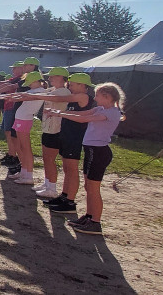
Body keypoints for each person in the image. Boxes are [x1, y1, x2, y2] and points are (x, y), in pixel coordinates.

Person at [5, 72, 96, 215]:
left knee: (71, 169)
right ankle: (64, 196)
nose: (70, 85)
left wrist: (35, 96)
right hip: (66, 135)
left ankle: (69, 201)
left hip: (75, 137)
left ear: (82, 85)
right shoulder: (72, 96)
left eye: (72, 84)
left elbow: (59, 97)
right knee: (67, 168)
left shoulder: (82, 96)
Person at [45, 82, 125, 235]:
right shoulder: (101, 108)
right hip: (92, 151)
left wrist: (59, 113)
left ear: (107, 97)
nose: (94, 98)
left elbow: (83, 120)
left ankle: (95, 222)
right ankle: (89, 217)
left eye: (98, 95)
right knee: (89, 187)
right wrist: (57, 112)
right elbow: (82, 114)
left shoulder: (111, 112)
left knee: (93, 189)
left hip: (99, 152)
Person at [33, 67, 71, 198]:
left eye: (54, 76)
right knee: (46, 158)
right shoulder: (53, 90)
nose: (50, 78)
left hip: (56, 129)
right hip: (48, 128)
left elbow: (45, 96)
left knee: (50, 159)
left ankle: (52, 188)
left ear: (62, 78)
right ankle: (47, 183)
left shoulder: (64, 91)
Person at [8, 71, 46, 185]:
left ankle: (28, 175)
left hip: (24, 120)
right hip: (21, 119)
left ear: (36, 81)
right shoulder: (33, 90)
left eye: (30, 82)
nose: (28, 85)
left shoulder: (39, 91)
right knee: (21, 147)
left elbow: (18, 97)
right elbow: (18, 96)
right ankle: (24, 172)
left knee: (26, 148)